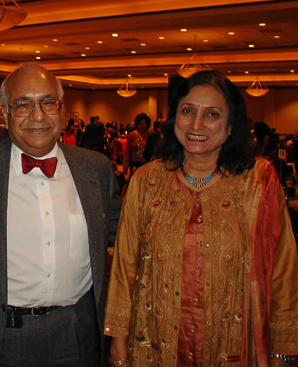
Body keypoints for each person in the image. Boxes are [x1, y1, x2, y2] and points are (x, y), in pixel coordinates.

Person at [104, 70, 298, 366]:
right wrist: (117, 341)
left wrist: (282, 352)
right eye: (188, 111)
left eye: (212, 114)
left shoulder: (259, 183)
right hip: (153, 345)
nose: (196, 124)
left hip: (232, 346)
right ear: (174, 118)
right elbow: (125, 266)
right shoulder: (146, 181)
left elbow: (283, 272)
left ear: (231, 125)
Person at [0, 62, 121, 367]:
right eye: (23, 104)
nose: (38, 116)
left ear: (61, 109)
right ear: (3, 113)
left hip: (76, 332)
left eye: (48, 103)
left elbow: (120, 238)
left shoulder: (95, 169)